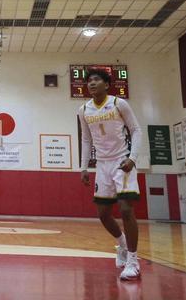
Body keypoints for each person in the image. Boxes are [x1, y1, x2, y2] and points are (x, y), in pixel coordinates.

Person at [78, 68, 143, 281]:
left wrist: (132, 158)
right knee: (103, 214)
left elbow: (136, 130)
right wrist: (84, 167)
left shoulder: (118, 104)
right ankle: (122, 244)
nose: (92, 83)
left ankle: (133, 261)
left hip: (122, 160)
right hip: (102, 165)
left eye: (97, 80)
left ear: (107, 84)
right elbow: (86, 140)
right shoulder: (83, 110)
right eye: (89, 81)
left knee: (126, 210)